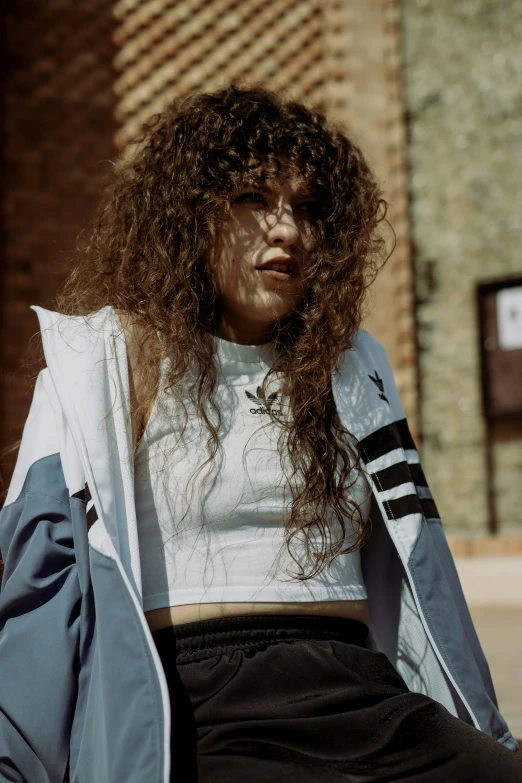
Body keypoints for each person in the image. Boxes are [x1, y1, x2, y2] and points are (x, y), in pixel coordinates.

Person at [0, 85, 519, 783]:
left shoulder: (354, 364)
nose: (289, 231)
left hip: (368, 696)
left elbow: (426, 566)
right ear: (191, 215)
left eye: (307, 209)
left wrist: (483, 722)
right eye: (254, 200)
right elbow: (40, 583)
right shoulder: (100, 359)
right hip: (201, 707)